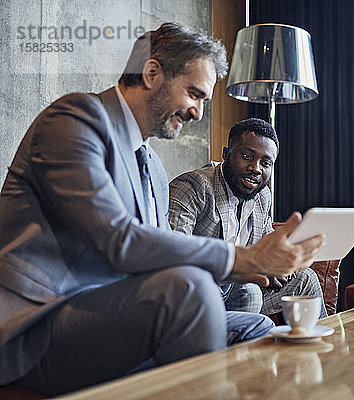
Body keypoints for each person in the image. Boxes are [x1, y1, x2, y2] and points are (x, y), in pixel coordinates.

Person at [0, 23, 323, 395]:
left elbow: (156, 256)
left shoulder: (151, 164)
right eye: (194, 94)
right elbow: (118, 240)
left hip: (115, 314)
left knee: (260, 327)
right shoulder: (74, 120)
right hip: (39, 327)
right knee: (189, 289)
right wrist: (240, 259)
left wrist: (250, 270)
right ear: (152, 73)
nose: (199, 113)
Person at [169, 118, 327, 318]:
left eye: (266, 163)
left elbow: (266, 242)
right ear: (226, 154)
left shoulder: (262, 196)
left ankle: (324, 347)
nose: (256, 168)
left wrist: (276, 265)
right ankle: (232, 348)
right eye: (247, 156)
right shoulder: (193, 186)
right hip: (197, 291)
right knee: (249, 291)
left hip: (241, 290)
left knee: (305, 279)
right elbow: (173, 253)